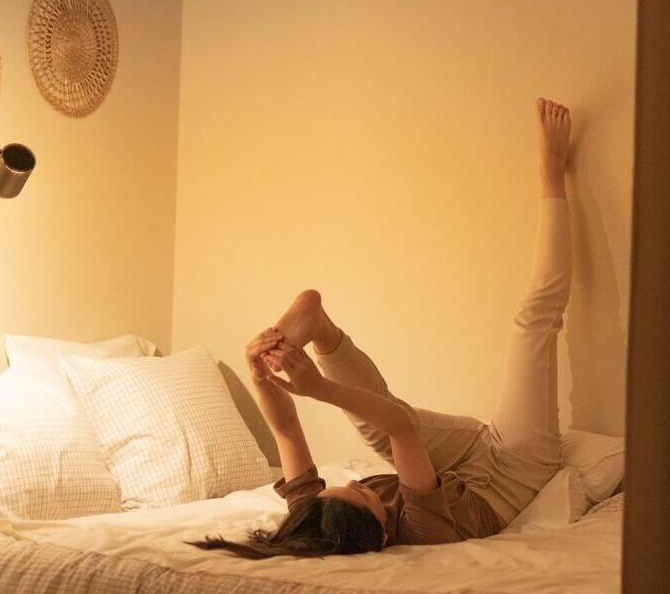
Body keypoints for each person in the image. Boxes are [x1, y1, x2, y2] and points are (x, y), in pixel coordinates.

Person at [193, 98, 574, 559]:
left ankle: (315, 329)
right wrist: (316, 389)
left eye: (345, 487)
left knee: (372, 433)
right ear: (385, 535)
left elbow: (287, 430)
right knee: (532, 322)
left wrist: (261, 374)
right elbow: (402, 425)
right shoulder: (422, 530)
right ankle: (552, 176)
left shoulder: (318, 519)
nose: (356, 481)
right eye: (364, 494)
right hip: (514, 469)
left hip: (456, 464)